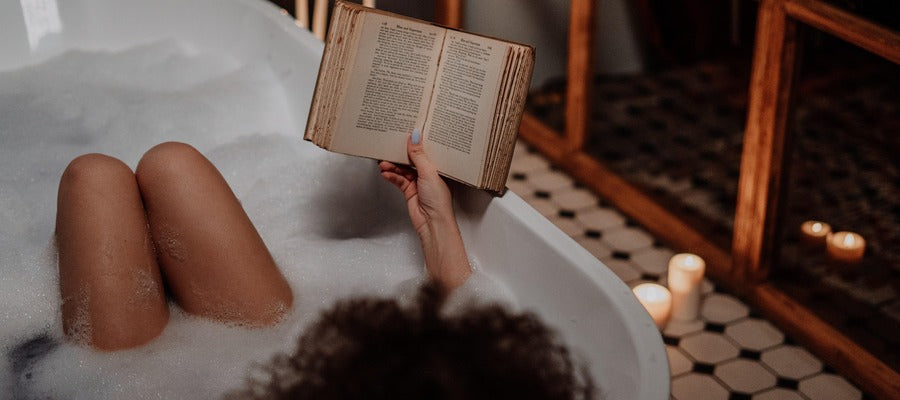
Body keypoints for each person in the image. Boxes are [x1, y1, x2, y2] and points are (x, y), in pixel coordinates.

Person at [56, 130, 594, 398]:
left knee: (92, 177)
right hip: (274, 347)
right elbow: (473, 344)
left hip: (141, 383)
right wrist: (438, 225)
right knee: (171, 164)